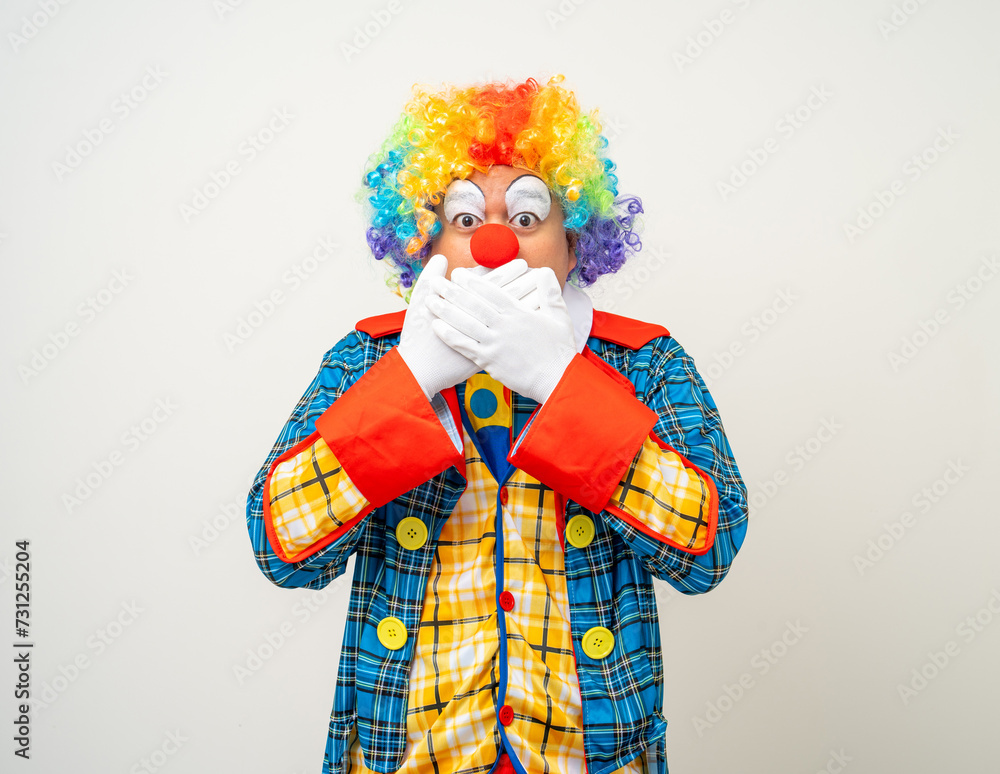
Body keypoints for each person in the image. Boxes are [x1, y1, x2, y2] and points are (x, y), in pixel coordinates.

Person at [246, 75, 748, 774]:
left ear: (574, 243)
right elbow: (282, 546)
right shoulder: (367, 359)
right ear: (424, 246)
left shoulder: (647, 363)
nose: (492, 246)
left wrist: (561, 382)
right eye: (462, 220)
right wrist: (411, 379)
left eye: (524, 218)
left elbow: (709, 549)